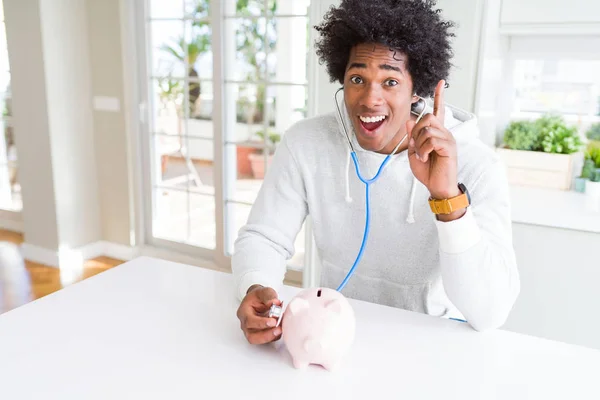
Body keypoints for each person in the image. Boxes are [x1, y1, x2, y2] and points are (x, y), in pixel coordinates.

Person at [233, 0, 520, 345]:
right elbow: (264, 236)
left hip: (431, 347)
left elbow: (491, 312)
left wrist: (447, 197)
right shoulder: (305, 144)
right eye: (358, 78)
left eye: (390, 81)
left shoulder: (476, 165)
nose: (370, 99)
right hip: (333, 337)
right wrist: (256, 285)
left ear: (418, 89)